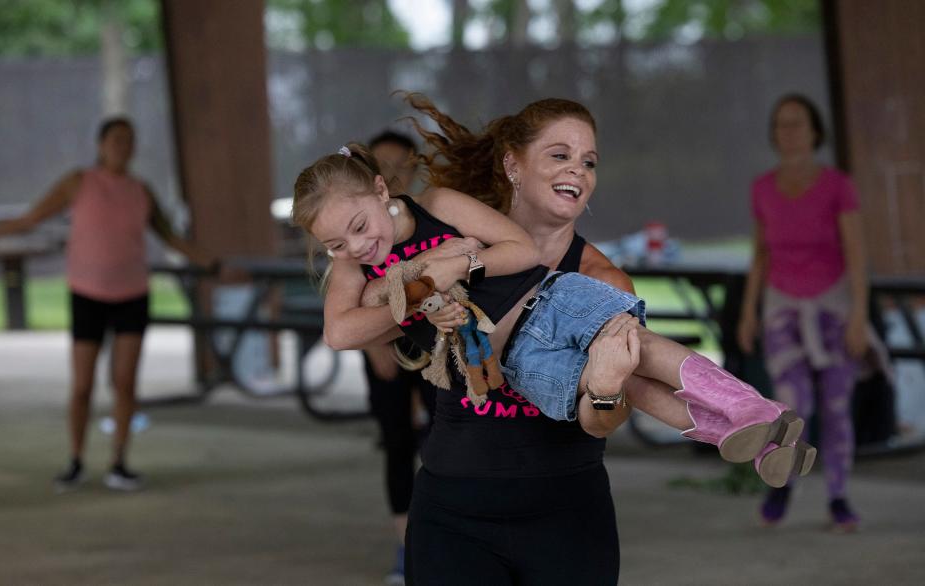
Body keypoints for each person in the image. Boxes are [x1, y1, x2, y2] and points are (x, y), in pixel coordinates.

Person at [291, 96, 816, 583]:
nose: (577, 170)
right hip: (454, 504)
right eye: (560, 154)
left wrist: (606, 388)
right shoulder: (415, 238)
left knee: (636, 361)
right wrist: (415, 282)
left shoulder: (588, 275)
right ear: (512, 165)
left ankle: (751, 419)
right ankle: (738, 430)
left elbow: (605, 416)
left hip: (564, 512)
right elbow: (347, 326)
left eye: (588, 162)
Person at [0, 117, 226, 492]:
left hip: (132, 295)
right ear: (100, 144)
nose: (123, 146)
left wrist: (213, 264)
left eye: (130, 140)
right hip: (88, 294)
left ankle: (119, 462)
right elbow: (32, 217)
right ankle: (75, 460)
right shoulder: (79, 182)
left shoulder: (141, 191)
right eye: (117, 139)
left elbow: (170, 237)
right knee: (82, 386)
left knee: (124, 383)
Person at [737, 94, 867, 532]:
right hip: (781, 305)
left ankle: (838, 497)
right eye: (781, 124)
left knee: (836, 406)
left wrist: (859, 316)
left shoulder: (838, 186)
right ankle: (783, 481)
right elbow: (760, 254)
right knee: (792, 407)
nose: (788, 132)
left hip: (832, 304)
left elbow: (856, 253)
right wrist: (748, 313)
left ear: (815, 131)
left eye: (797, 123)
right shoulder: (762, 188)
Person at [361, 130, 437, 584]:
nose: (393, 174)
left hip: (434, 345)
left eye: (400, 165)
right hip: (384, 344)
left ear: (414, 167)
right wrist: (374, 345)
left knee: (441, 440)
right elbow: (348, 287)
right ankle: (405, 548)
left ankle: (437, 538)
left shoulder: (429, 215)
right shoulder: (361, 225)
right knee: (397, 443)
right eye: (382, 167)